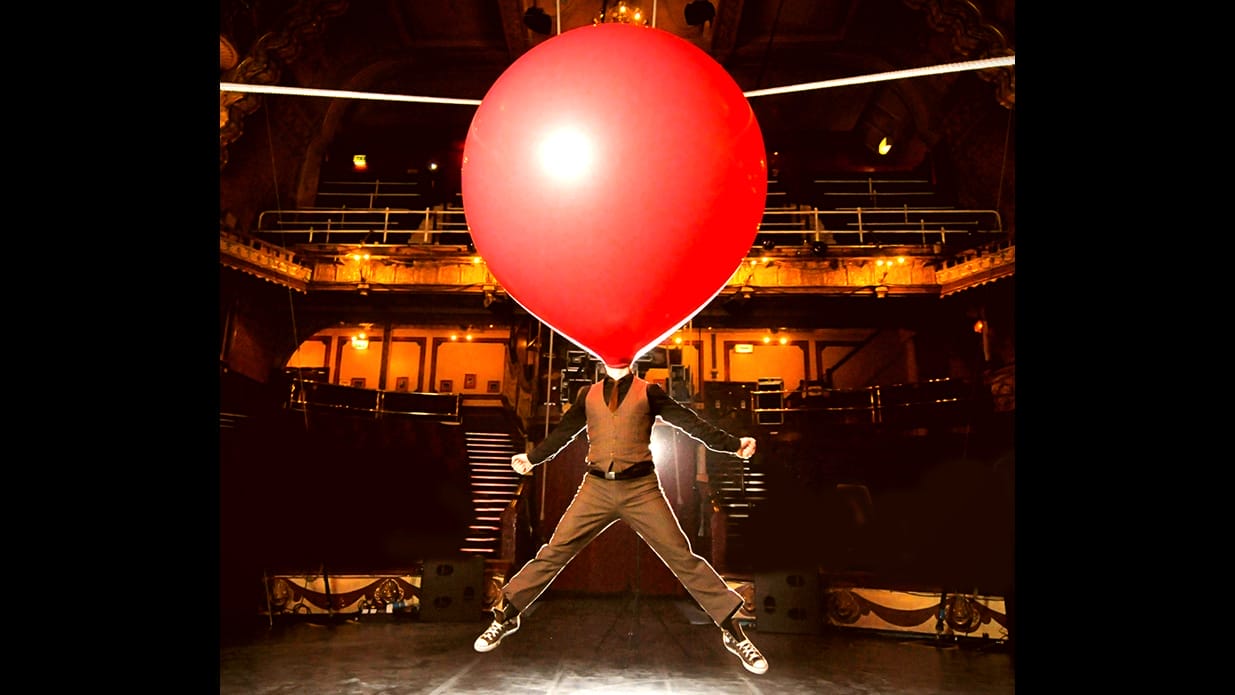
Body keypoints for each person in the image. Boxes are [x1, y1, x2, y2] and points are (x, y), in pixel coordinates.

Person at [472, 362, 768, 675]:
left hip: (641, 488)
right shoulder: (588, 394)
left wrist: (732, 445)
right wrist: (532, 458)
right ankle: (507, 616)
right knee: (555, 549)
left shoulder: (649, 392)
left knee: (681, 556)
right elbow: (562, 433)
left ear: (634, 356)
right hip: (596, 487)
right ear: (600, 358)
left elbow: (689, 422)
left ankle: (733, 632)